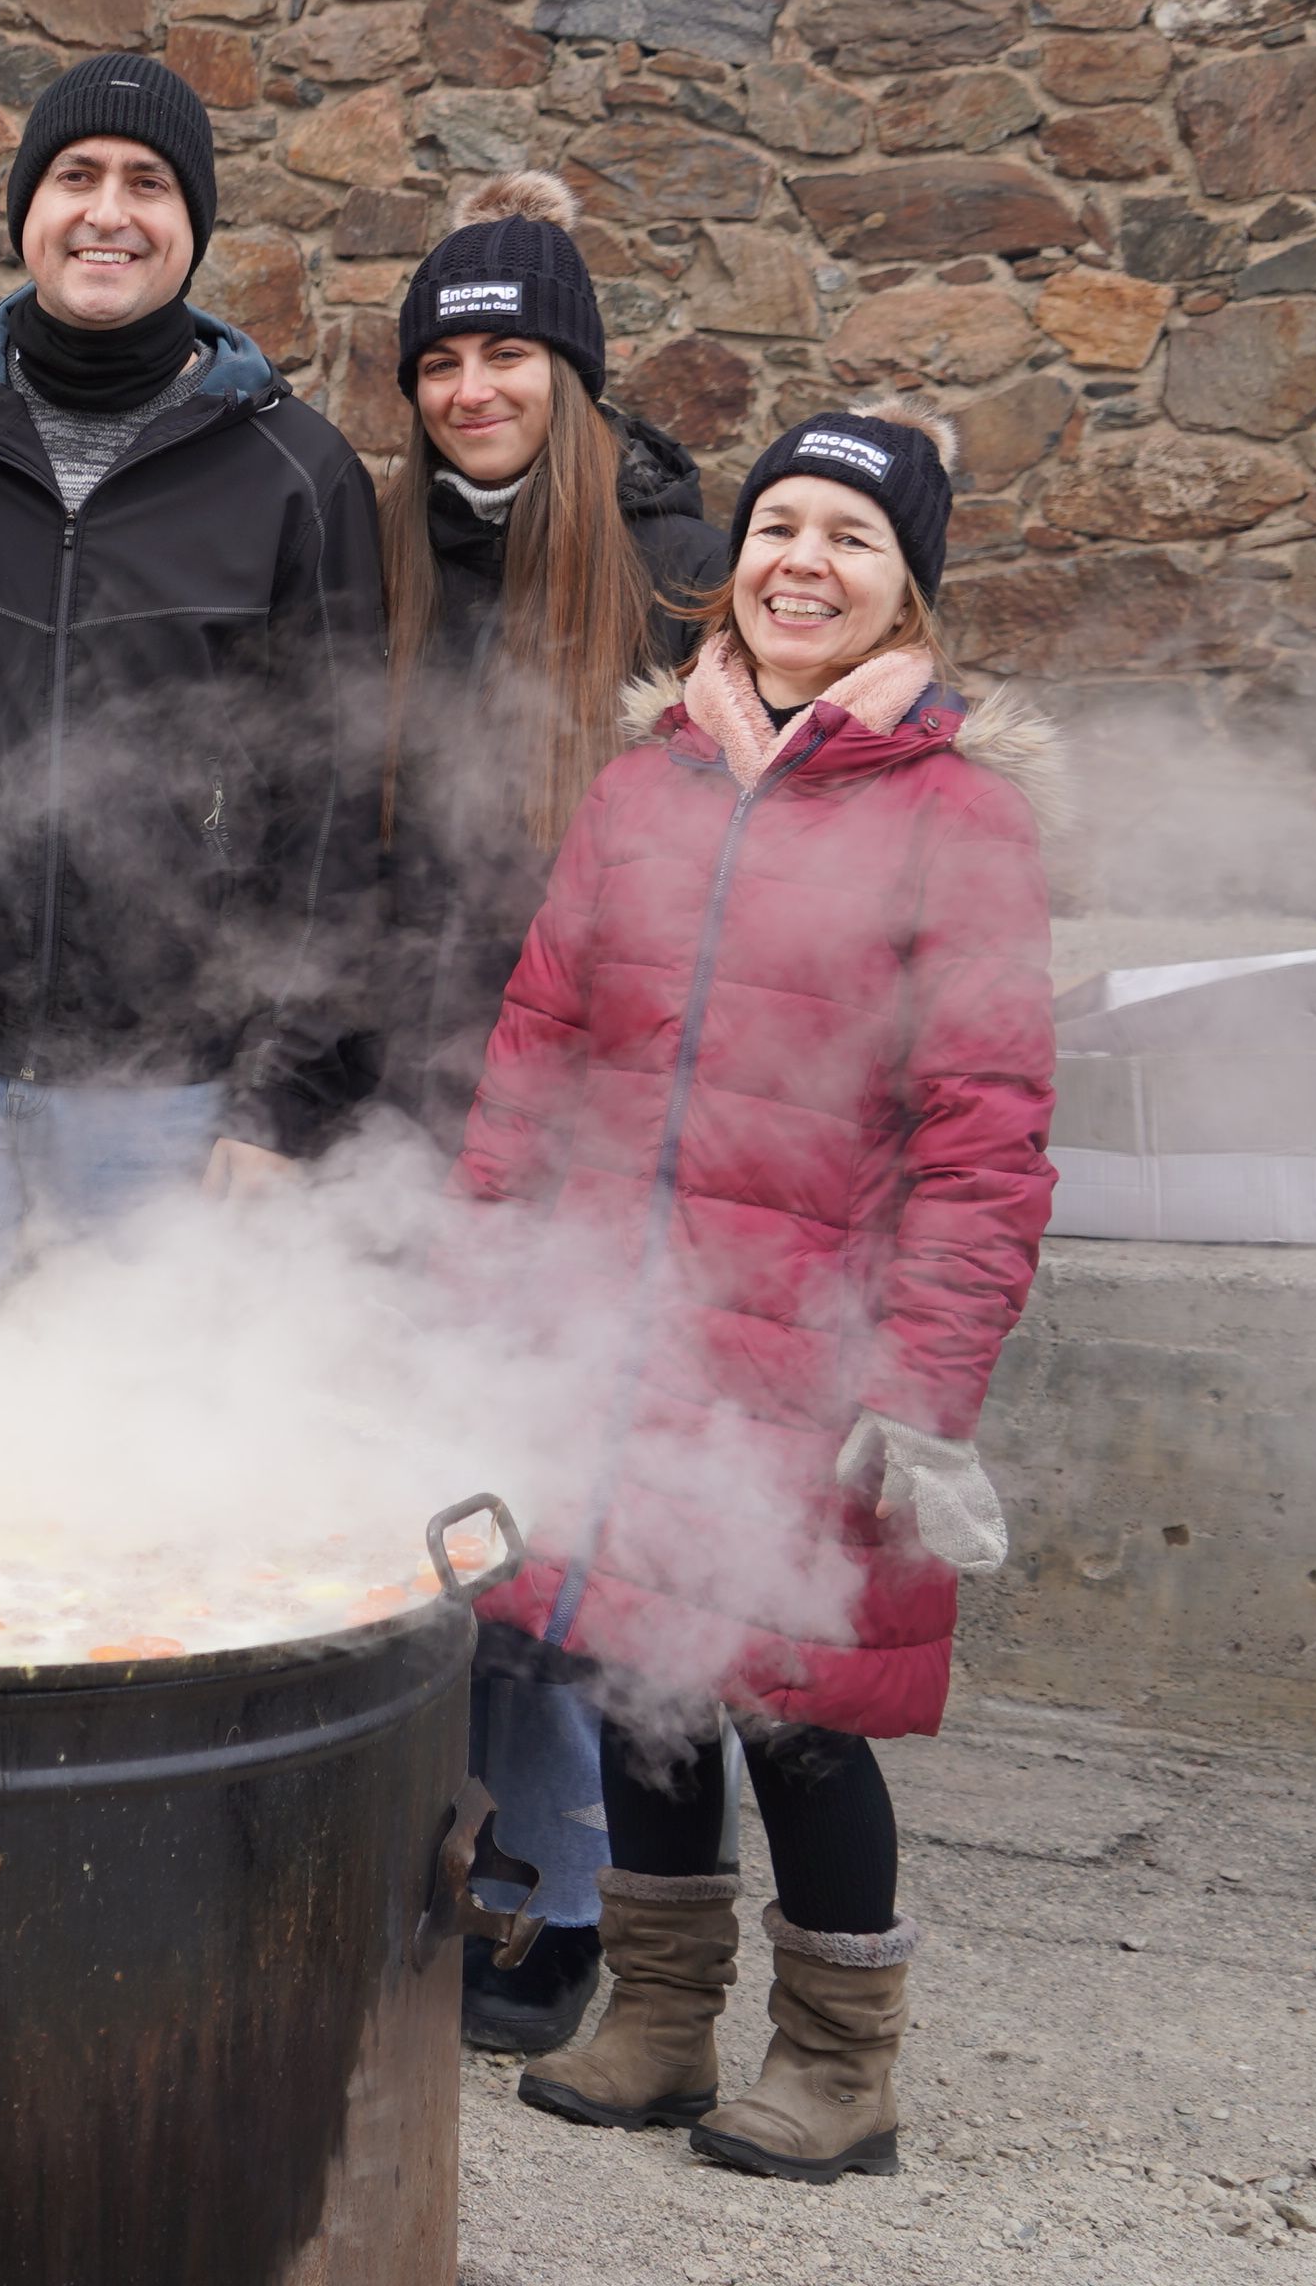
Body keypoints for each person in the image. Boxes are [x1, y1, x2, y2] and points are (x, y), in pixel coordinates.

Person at [458, 402, 1056, 2187]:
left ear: (908, 598)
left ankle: (836, 2058)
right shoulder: (643, 786)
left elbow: (988, 1125)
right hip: (627, 1319)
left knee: (799, 1705)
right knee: (644, 1671)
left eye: (852, 539)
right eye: (780, 524)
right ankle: (656, 2016)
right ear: (736, 562)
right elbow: (536, 1044)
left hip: (821, 1348)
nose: (805, 559)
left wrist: (930, 1378)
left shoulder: (958, 819)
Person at [0, 55, 385, 1296]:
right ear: (27, 208)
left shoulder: (297, 473)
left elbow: (332, 815)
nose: (109, 211)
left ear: (195, 226)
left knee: (129, 1457)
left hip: (165, 1088)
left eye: (149, 182)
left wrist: (282, 1097)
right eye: (76, 175)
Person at [373, 171, 732, 2059]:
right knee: (448, 1522)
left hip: (611, 1135)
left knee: (583, 1544)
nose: (471, 384)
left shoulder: (689, 568)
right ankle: (455, 1861)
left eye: (507, 348)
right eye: (438, 356)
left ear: (572, 371)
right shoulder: (393, 555)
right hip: (421, 1095)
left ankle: (577, 1893)